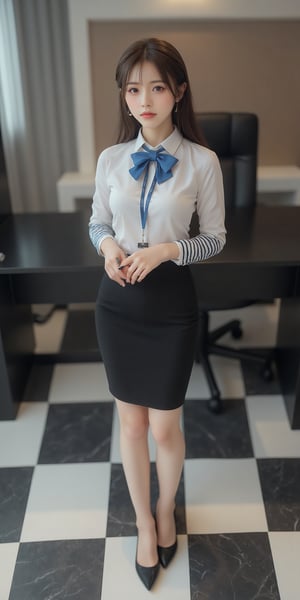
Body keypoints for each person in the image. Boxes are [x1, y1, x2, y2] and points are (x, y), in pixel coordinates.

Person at [89, 38, 226, 590]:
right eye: (133, 88)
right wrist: (109, 250)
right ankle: (144, 522)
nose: (144, 98)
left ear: (179, 92)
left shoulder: (202, 161)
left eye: (157, 87)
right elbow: (98, 223)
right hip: (117, 303)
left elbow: (215, 240)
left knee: (165, 426)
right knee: (130, 422)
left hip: (170, 305)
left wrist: (167, 250)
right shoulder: (110, 159)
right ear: (124, 96)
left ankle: (166, 508)